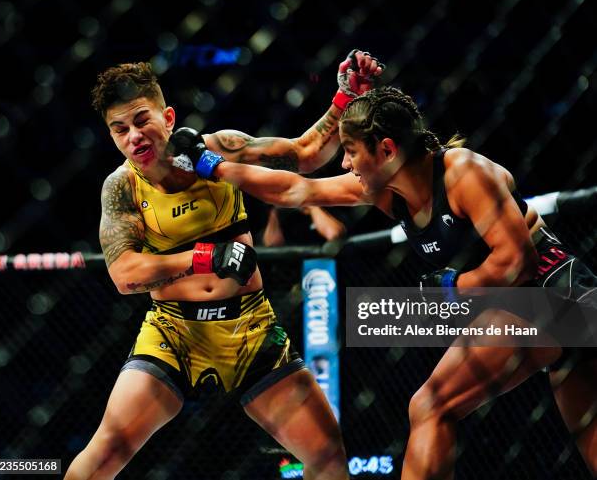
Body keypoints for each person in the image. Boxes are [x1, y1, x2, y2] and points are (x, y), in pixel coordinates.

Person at [178, 86, 597, 479]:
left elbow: (517, 262)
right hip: (537, 308)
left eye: (350, 151)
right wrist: (211, 165)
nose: (344, 163)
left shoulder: (464, 173)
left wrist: (453, 288)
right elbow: (295, 189)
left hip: (559, 292)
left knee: (431, 405)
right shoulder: (386, 190)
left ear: (387, 149)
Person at [64, 51, 383, 480]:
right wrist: (205, 258)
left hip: (249, 328)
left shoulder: (217, 149)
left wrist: (343, 99)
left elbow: (303, 155)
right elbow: (125, 275)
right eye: (119, 130)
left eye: (141, 120)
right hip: (174, 332)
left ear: (168, 116)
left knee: (328, 458)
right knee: (104, 452)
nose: (133, 137)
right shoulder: (121, 187)